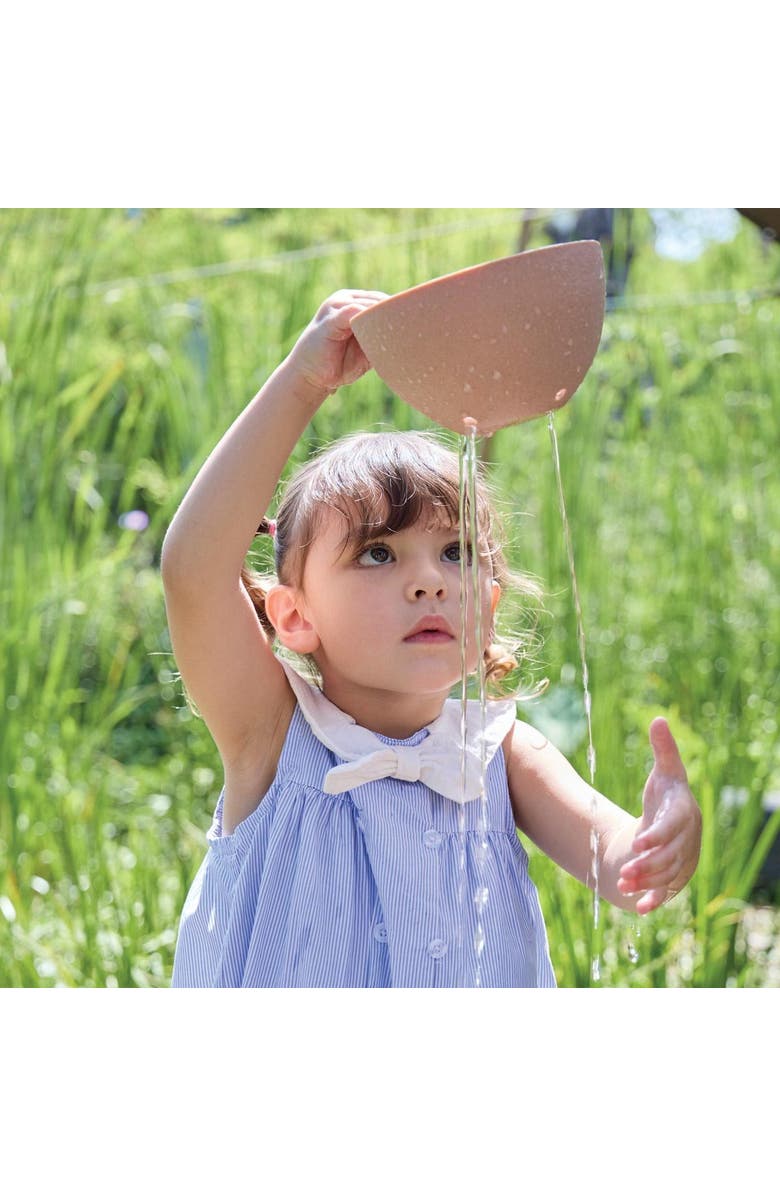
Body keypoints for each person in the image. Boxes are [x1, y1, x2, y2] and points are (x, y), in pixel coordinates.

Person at [162, 289, 702, 988]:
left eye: (457, 553)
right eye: (378, 555)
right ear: (294, 616)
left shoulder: (502, 751)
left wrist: (663, 843)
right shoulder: (272, 735)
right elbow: (193, 571)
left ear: (491, 605)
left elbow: (620, 866)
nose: (431, 583)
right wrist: (302, 384)